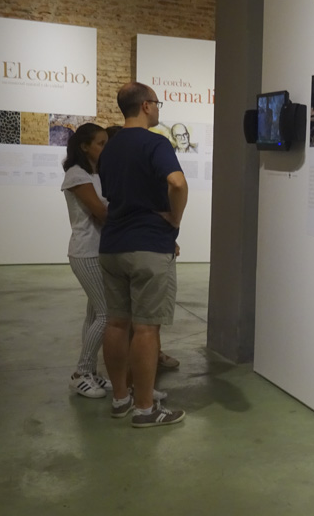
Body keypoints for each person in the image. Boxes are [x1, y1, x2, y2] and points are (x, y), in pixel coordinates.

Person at [98, 82, 188, 428]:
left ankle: (121, 398)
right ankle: (145, 409)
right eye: (158, 103)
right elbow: (177, 183)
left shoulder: (110, 147)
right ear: (147, 106)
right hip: (148, 245)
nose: (159, 108)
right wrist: (174, 220)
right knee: (146, 329)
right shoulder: (155, 142)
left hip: (112, 245)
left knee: (116, 323)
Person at [61, 123, 112, 398]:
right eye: (100, 144)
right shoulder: (76, 175)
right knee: (107, 314)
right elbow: (100, 212)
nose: (105, 149)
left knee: (94, 314)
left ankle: (91, 371)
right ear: (84, 146)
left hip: (98, 249)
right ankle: (80, 372)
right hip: (87, 251)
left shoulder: (95, 173)